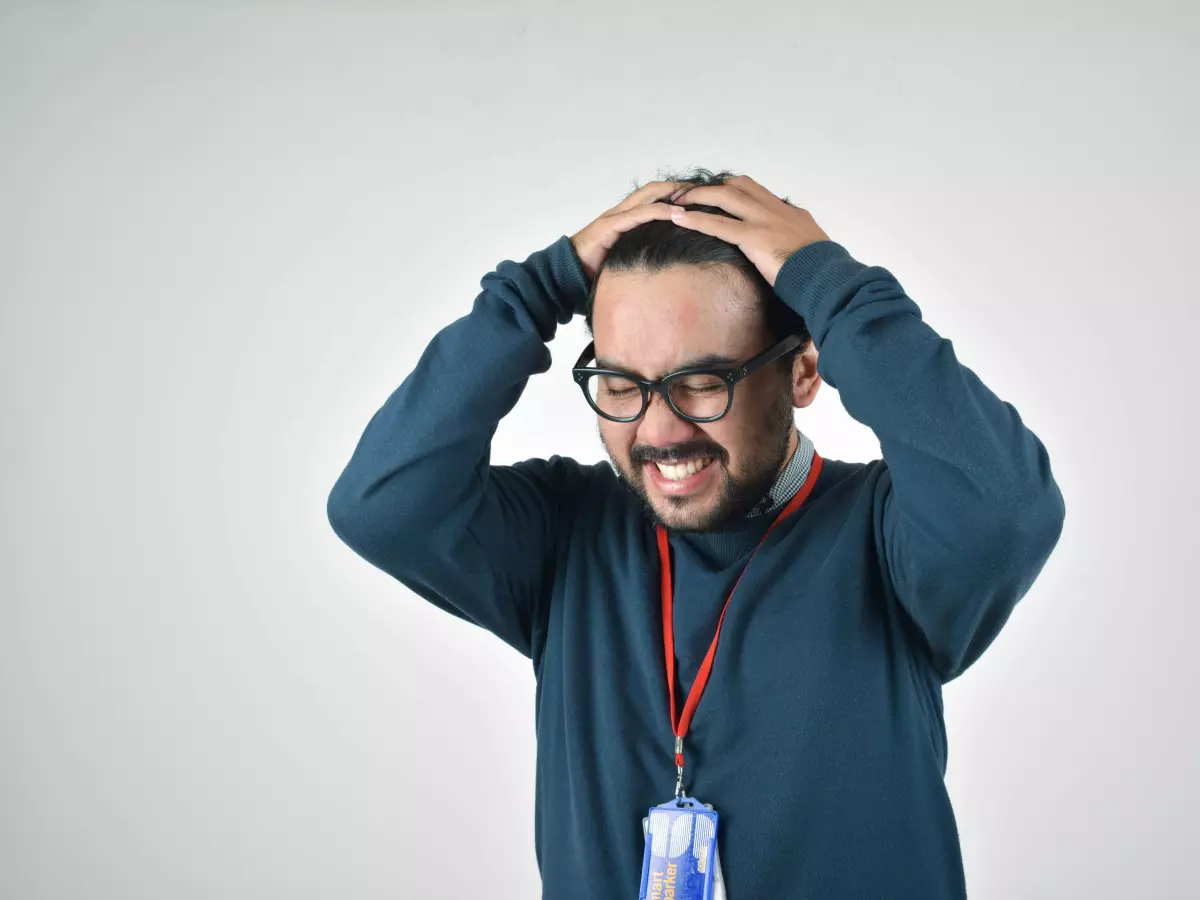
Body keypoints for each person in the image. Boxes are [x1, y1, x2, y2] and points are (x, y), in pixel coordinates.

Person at [326, 169, 1066, 899]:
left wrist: (835, 288)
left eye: (703, 383)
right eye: (620, 385)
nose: (658, 430)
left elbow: (1006, 508)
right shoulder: (563, 534)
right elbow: (381, 503)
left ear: (804, 369)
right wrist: (538, 289)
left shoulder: (890, 534)